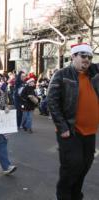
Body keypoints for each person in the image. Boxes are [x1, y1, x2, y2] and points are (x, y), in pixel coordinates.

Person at [47, 43, 99, 200]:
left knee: (85, 165)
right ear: (73, 57)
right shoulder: (62, 74)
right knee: (72, 165)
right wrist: (62, 127)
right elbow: (52, 101)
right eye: (83, 56)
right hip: (71, 130)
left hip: (90, 131)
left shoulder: (93, 73)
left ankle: (76, 195)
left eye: (89, 57)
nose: (87, 60)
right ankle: (63, 195)